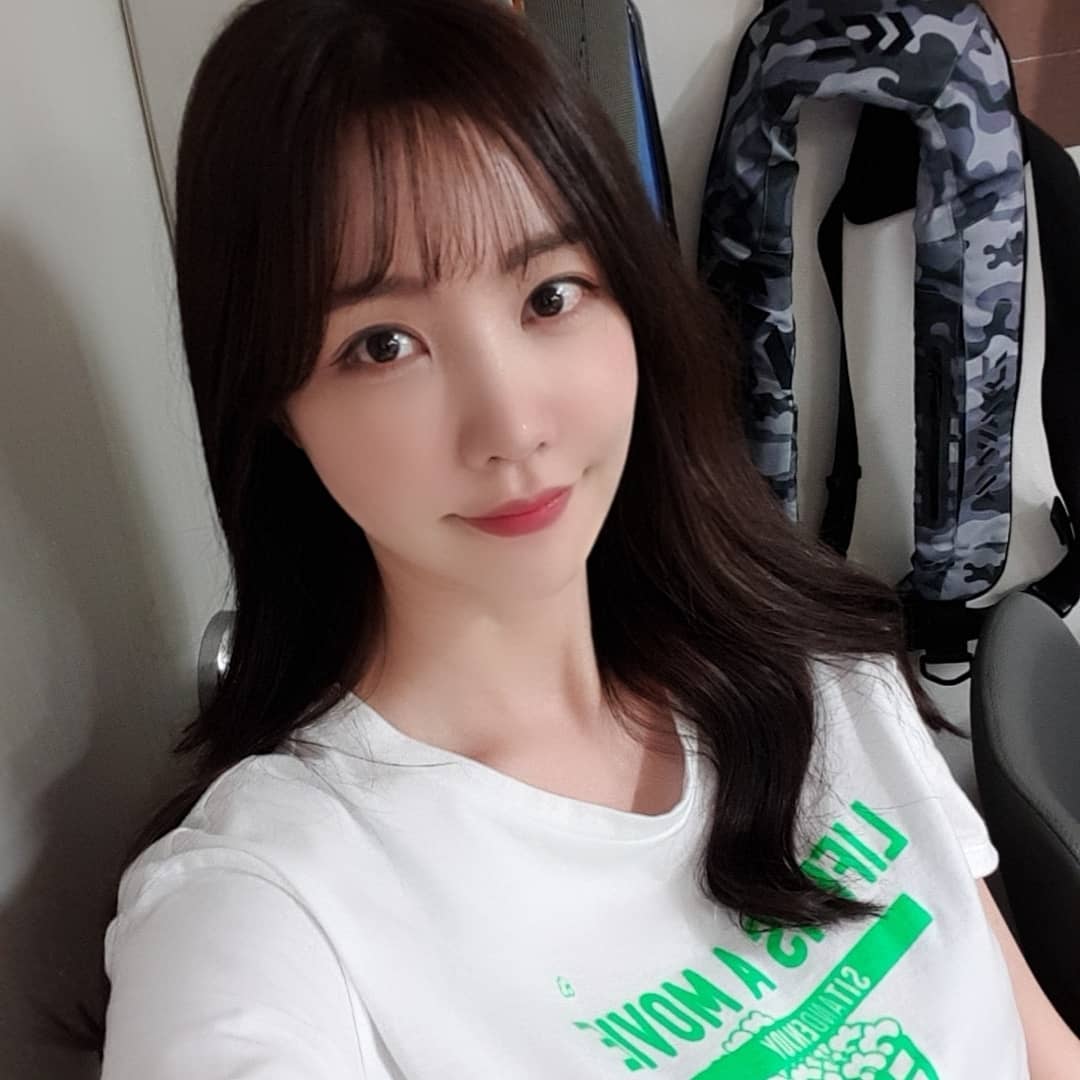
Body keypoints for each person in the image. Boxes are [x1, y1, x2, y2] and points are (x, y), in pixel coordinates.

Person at [100, 0, 1080, 1075]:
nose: (513, 425)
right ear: (276, 405)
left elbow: (1041, 1049)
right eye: (383, 345)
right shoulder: (271, 905)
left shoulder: (816, 661)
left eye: (550, 294)